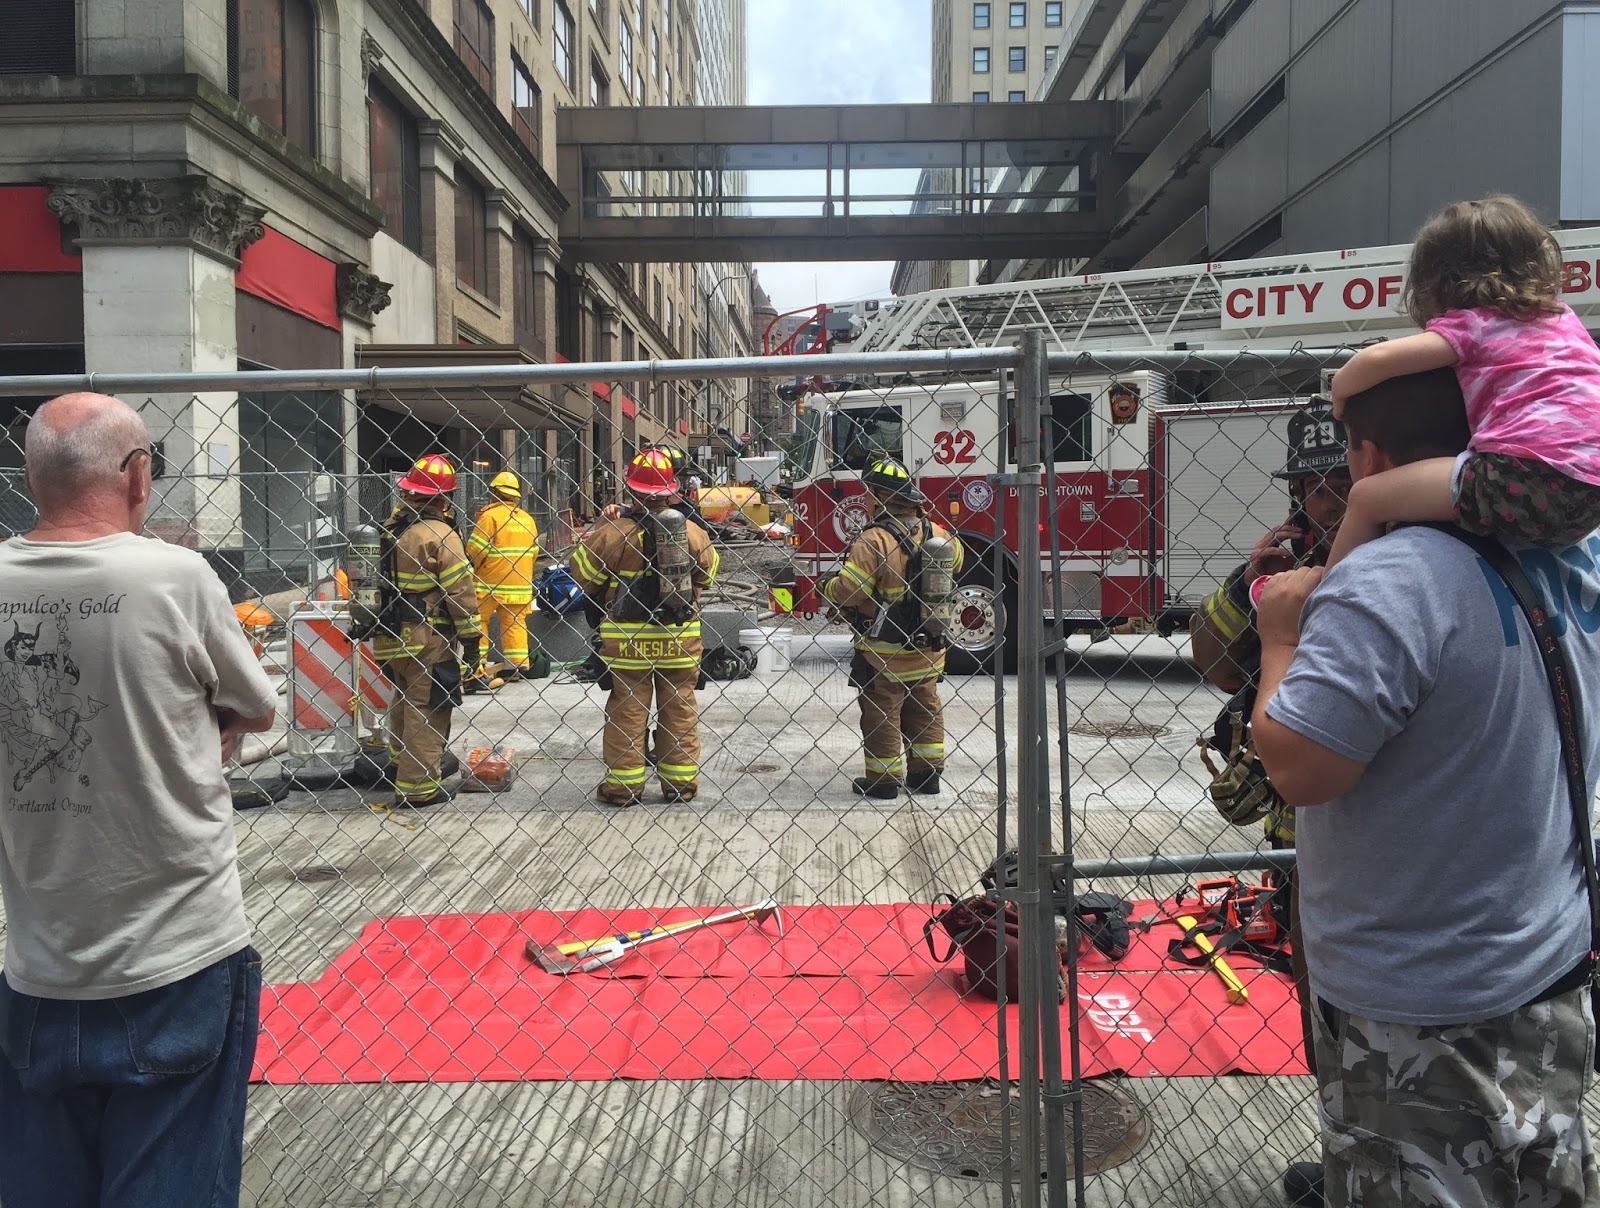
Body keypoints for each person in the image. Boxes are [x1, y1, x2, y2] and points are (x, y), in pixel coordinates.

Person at [1254, 367, 1600, 1208]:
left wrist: (1280, 639)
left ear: (1369, 455)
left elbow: (1300, 769)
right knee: (1538, 1174)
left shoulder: (1388, 582)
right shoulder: (1574, 554)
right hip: (1544, 962)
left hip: (1418, 996)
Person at [0, 392, 276, 1208]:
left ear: (31, 476)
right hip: (178, 956)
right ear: (137, 475)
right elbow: (257, 706)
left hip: (41, 963)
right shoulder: (174, 577)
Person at [1187, 400, 1350, 1205]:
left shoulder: (1402, 555)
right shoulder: (1279, 568)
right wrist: (1247, 579)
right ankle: (1349, 1155)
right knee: (1323, 1009)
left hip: (1365, 821)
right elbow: (1214, 664)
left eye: (1344, 479)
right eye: (1316, 486)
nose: (1332, 498)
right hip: (1299, 834)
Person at [1326, 195, 1600, 567]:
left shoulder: (1475, 323)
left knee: (1367, 498)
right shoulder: (1562, 320)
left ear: (1439, 281)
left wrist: (1339, 391)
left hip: (1528, 475)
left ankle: (1324, 604)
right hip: (1592, 487)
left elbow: (1377, 359)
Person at [571, 448, 718, 806]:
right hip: (680, 638)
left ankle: (623, 788)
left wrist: (606, 531)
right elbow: (709, 574)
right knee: (680, 707)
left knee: (628, 708)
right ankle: (680, 785)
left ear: (632, 491)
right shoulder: (691, 532)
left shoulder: (613, 533)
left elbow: (583, 577)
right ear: (671, 491)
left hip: (628, 641)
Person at [821, 457, 964, 799]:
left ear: (881, 496)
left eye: (870, 492)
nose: (867, 498)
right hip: (930, 646)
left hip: (884, 653)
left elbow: (851, 591)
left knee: (882, 713)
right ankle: (926, 775)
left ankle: (884, 781)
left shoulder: (874, 540)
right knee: (925, 707)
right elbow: (957, 563)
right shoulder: (938, 533)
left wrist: (827, 588)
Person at [367, 454, 481, 807]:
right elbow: (460, 592)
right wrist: (472, 640)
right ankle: (418, 788)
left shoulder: (387, 530)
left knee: (402, 702)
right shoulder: (438, 535)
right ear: (443, 498)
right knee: (426, 707)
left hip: (387, 636)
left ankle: (401, 769)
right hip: (426, 638)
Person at [468, 470, 540, 682]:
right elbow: (534, 553)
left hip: (489, 583)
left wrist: (472, 569)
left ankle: (477, 664)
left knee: (478, 621)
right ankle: (516, 667)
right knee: (515, 623)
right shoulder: (527, 520)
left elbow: (475, 550)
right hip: (519, 585)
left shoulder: (489, 517)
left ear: (494, 492)